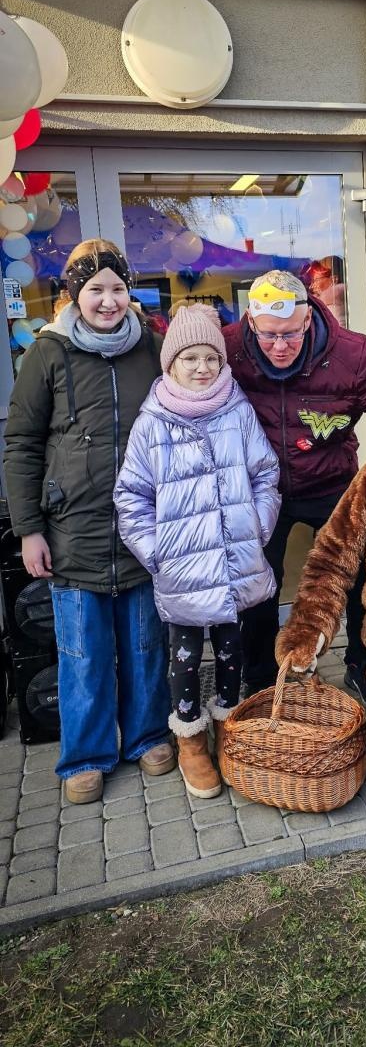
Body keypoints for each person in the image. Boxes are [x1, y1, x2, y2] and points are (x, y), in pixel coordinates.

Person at [4, 239, 175, 804]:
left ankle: (148, 735)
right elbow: (22, 443)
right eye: (95, 289)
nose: (107, 301)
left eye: (117, 289)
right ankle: (86, 755)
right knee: (84, 653)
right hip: (72, 528)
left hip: (143, 526)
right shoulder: (48, 354)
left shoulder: (152, 348)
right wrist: (29, 528)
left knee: (146, 643)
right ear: (74, 294)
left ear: (131, 293)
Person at [114, 304, 280, 798]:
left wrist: (257, 526)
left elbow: (265, 475)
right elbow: (131, 497)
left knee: (232, 652)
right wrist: (158, 553)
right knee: (185, 658)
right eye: (190, 358)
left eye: (210, 356)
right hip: (182, 569)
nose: (202, 367)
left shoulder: (238, 409)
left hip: (233, 564)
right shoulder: (153, 423)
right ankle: (190, 738)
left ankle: (228, 726)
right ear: (171, 364)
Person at [223, 269, 366, 709]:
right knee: (258, 582)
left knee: (358, 575)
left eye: (291, 334)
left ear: (309, 318)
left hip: (331, 478)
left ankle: (360, 663)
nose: (279, 346)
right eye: (269, 335)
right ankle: (257, 677)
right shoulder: (227, 348)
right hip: (259, 488)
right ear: (252, 323)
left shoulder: (353, 353)